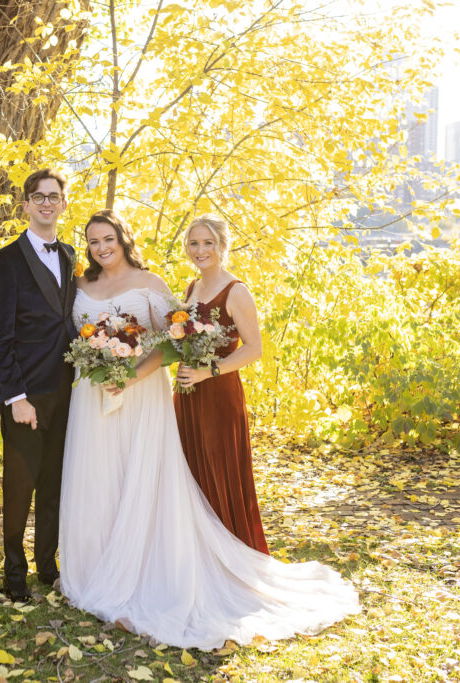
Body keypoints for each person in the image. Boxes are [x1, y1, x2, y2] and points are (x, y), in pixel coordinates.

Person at [59, 210, 359, 650]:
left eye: (109, 238)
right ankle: (95, 564)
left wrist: (133, 373)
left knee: (147, 476)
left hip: (146, 395)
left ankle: (152, 564)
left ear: (123, 239)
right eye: (93, 241)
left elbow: (169, 341)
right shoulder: (86, 287)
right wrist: (98, 360)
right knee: (98, 477)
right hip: (94, 396)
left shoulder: (160, 284)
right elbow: (174, 337)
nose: (101, 247)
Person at [0, 168, 77, 602]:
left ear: (63, 203)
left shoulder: (72, 255)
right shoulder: (5, 260)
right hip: (26, 396)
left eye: (53, 196)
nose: (46, 203)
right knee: (19, 487)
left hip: (69, 393)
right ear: (25, 205)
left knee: (54, 483)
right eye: (37, 196)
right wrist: (15, 397)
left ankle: (46, 565)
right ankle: (14, 573)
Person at [174, 214, 270, 553]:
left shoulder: (236, 290)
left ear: (222, 246)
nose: (200, 250)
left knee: (220, 472)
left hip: (218, 396)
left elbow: (254, 349)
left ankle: (232, 552)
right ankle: (199, 554)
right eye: (194, 243)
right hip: (187, 395)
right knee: (192, 472)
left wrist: (208, 371)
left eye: (208, 243)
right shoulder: (192, 287)